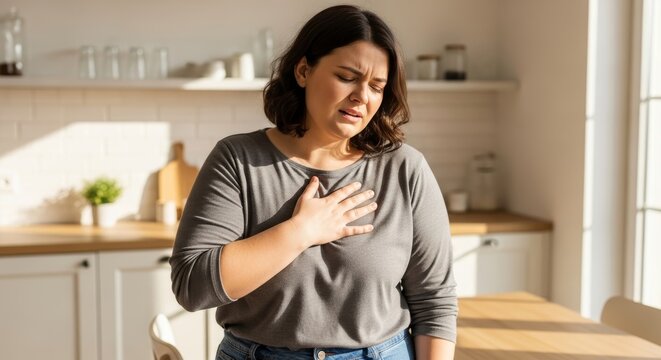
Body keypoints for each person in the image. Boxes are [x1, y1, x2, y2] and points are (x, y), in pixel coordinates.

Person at [170, 5, 457, 360]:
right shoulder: (238, 160)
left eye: (376, 86)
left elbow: (435, 302)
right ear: (304, 70)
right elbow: (192, 287)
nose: (361, 96)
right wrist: (301, 232)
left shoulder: (405, 169)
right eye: (347, 76)